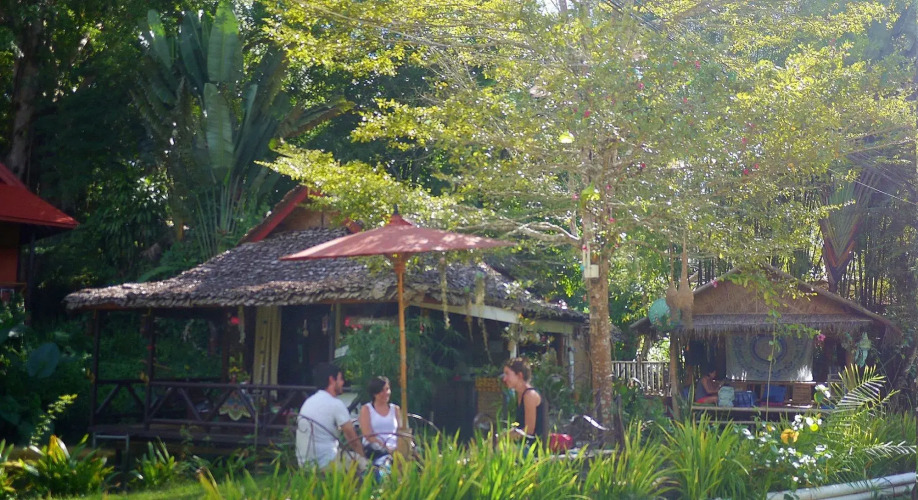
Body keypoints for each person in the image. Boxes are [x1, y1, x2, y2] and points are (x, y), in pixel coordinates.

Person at [296, 363, 366, 469]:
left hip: (304, 464)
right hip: (326, 463)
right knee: (364, 464)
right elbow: (353, 440)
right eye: (340, 379)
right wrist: (363, 460)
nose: (343, 382)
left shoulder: (309, 401)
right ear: (332, 380)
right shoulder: (336, 404)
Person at [501, 357, 545, 446]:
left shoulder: (529, 395)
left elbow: (529, 431)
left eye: (507, 374)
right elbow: (519, 425)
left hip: (532, 447)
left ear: (520, 375)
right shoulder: (520, 395)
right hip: (521, 443)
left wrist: (504, 438)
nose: (504, 379)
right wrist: (502, 435)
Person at [358, 376, 400, 462]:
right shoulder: (366, 409)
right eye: (382, 391)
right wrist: (386, 448)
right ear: (374, 393)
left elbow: (401, 431)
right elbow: (367, 435)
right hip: (375, 448)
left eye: (387, 389)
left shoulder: (395, 409)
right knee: (379, 453)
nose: (385, 393)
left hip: (395, 447)